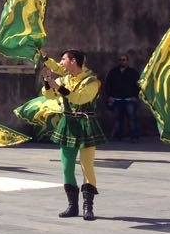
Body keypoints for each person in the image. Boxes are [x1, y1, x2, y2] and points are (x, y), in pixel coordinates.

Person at [42, 49, 105, 221]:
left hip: (85, 124)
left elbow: (79, 98)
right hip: (68, 123)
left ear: (73, 61)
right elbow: (48, 95)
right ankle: (72, 206)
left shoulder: (92, 81)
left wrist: (59, 87)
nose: (61, 63)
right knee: (67, 166)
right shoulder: (64, 79)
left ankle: (88, 207)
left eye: (63, 59)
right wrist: (48, 82)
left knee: (87, 165)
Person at [104, 54, 141, 142]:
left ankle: (134, 136)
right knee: (118, 118)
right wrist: (109, 97)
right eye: (120, 60)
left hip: (129, 99)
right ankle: (119, 136)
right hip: (117, 99)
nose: (122, 61)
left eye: (124, 60)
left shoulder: (133, 72)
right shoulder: (113, 72)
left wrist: (135, 97)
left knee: (132, 118)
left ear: (127, 61)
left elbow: (138, 85)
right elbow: (108, 85)